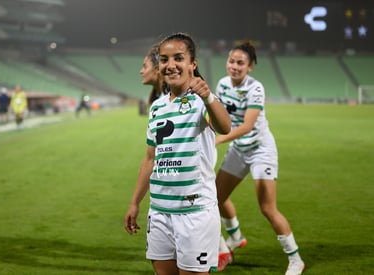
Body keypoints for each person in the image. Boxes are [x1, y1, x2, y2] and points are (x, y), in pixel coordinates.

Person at [124, 32, 231, 275]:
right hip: (160, 210)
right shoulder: (158, 107)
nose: (170, 65)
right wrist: (134, 202)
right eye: (164, 59)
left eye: (178, 58)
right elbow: (150, 158)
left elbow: (225, 127)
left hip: (195, 214)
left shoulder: (201, 100)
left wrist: (208, 96)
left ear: (192, 64)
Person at [214, 41, 305, 275]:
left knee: (267, 208)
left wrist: (218, 140)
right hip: (238, 149)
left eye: (240, 63)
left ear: (250, 67)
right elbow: (218, 116)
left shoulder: (256, 88)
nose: (234, 66)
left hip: (260, 150)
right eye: (231, 61)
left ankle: (295, 259)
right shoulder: (223, 85)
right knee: (214, 197)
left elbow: (246, 126)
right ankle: (235, 236)